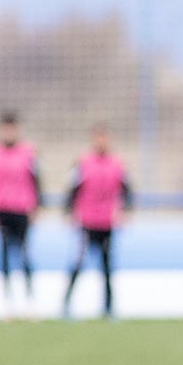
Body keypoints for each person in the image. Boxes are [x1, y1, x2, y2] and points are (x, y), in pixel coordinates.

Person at [63, 124, 133, 319]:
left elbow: (127, 190)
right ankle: (66, 304)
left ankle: (108, 308)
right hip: (87, 222)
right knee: (78, 264)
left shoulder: (118, 164)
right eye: (98, 138)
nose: (101, 142)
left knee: (107, 267)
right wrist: (69, 212)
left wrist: (125, 211)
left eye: (104, 138)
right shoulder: (83, 163)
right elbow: (72, 189)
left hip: (107, 222)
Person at [0, 110, 42, 319]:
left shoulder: (29, 153)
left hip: (22, 209)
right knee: (4, 255)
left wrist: (37, 206)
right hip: (1, 210)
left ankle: (30, 301)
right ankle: (8, 302)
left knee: (25, 255)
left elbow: (37, 180)